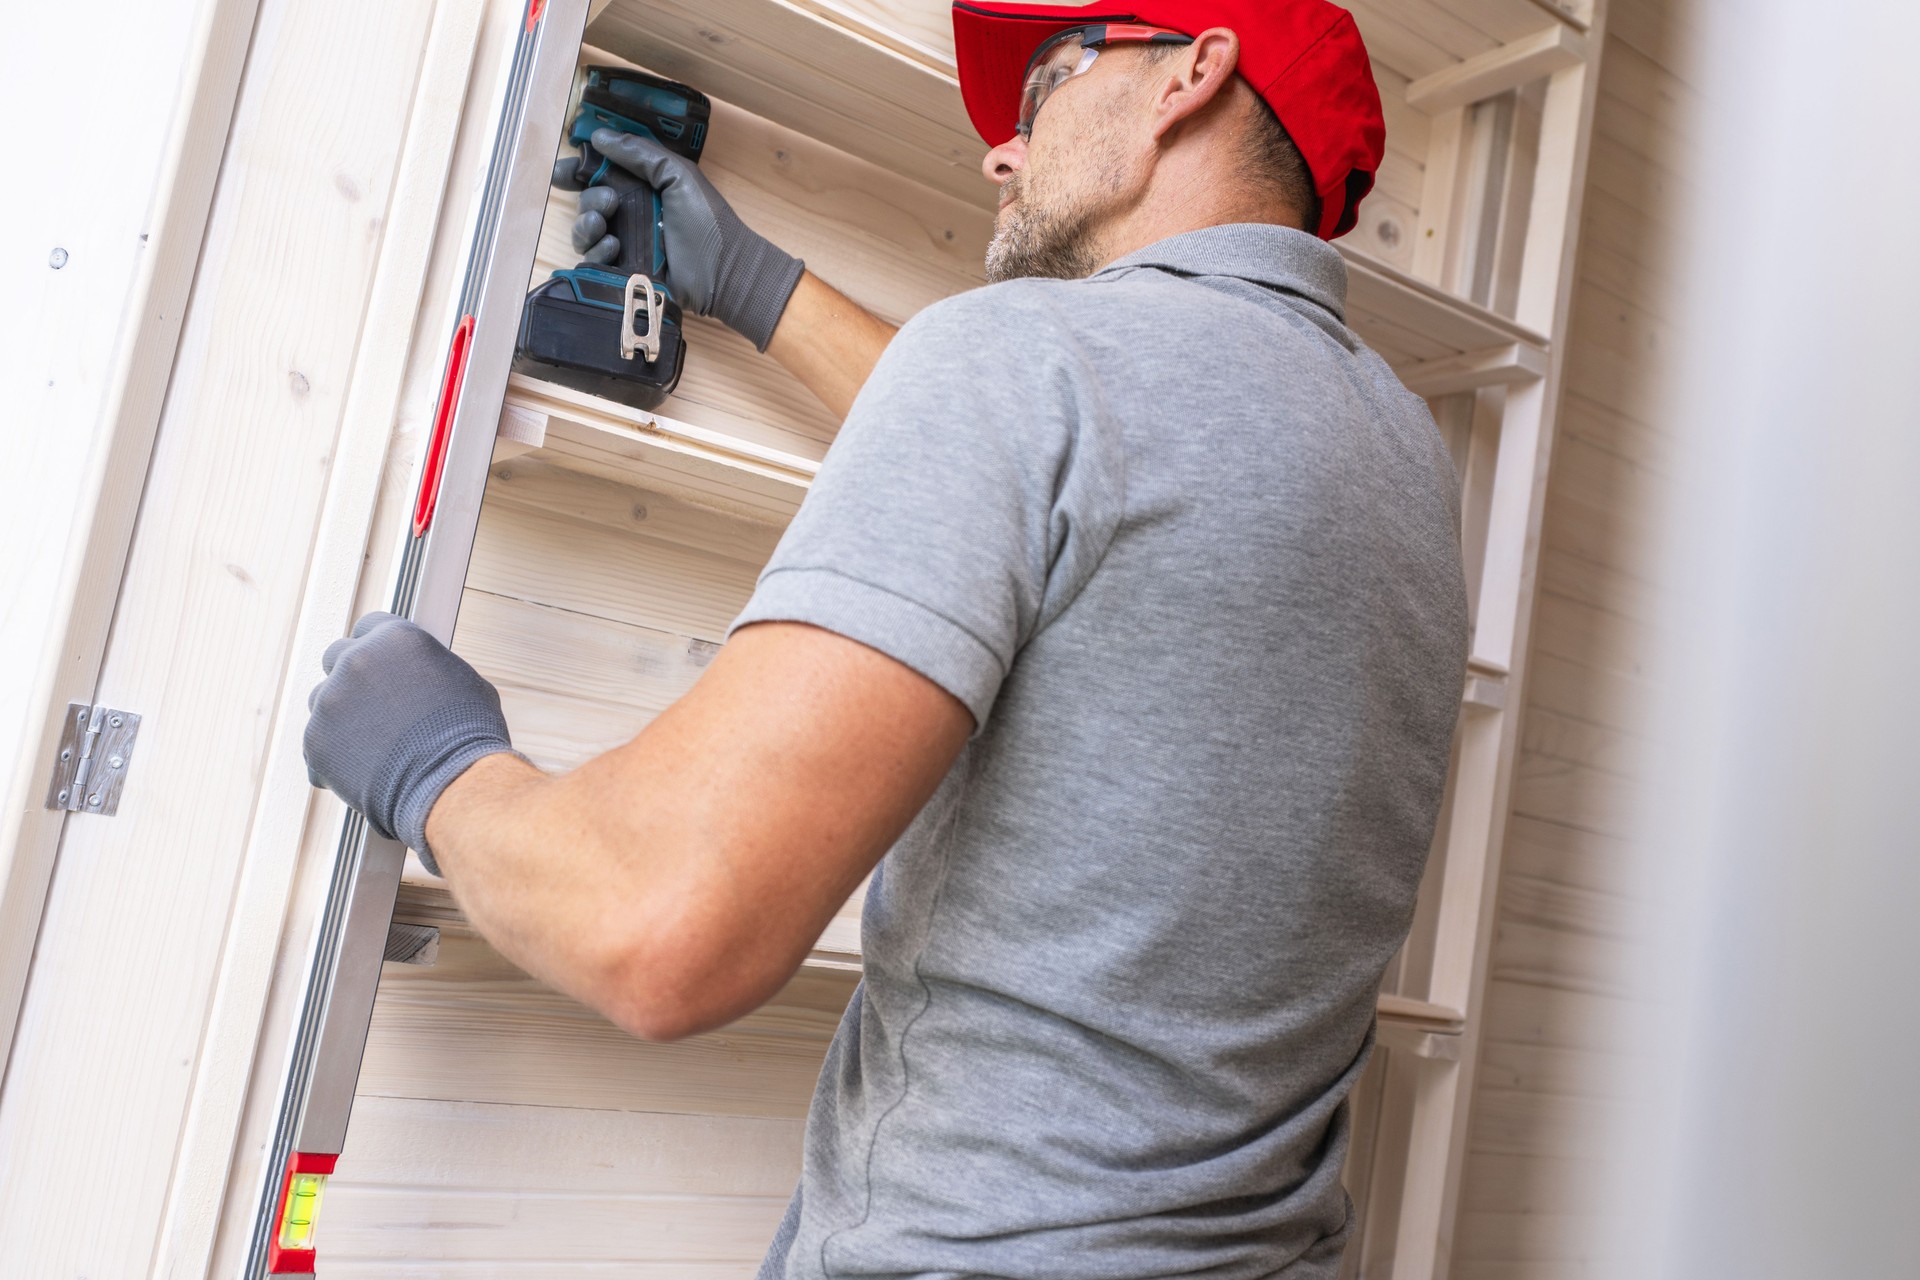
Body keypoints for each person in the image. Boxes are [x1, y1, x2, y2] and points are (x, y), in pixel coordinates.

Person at [303, 1, 1469, 1275]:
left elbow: (659, 925)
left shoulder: (1033, 370)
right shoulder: (1399, 458)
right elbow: (1079, 487)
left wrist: (433, 759)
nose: (1002, 152)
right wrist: (757, 287)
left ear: (1189, 76)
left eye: (1043, 87)